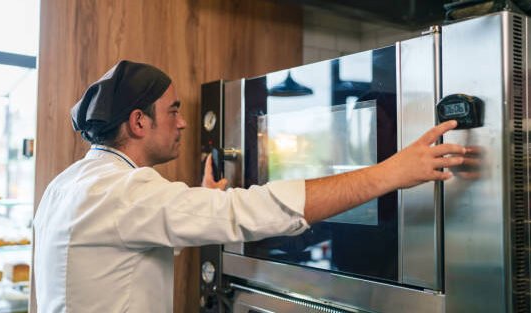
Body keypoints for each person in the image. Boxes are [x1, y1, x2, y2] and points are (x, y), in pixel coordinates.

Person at [33, 60, 466, 313]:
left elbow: (132, 241)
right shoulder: (124, 191)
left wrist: (204, 200)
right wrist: (390, 173)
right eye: (174, 111)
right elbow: (254, 211)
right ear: (139, 122)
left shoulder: (69, 184)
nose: (184, 122)